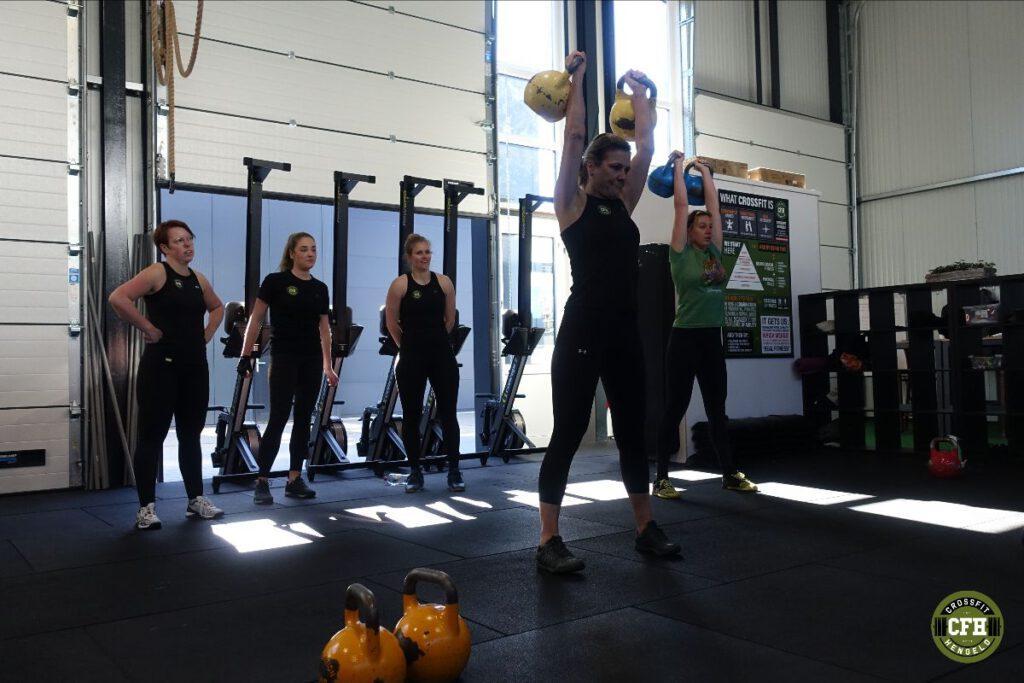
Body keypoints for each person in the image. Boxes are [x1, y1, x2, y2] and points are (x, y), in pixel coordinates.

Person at [536, 51, 680, 574]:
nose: (622, 176)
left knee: (634, 429)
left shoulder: (624, 202)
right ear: (590, 168)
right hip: (583, 329)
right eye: (613, 168)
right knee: (570, 430)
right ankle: (549, 539)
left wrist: (640, 91)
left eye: (624, 170)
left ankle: (644, 527)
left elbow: (647, 146)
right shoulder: (570, 203)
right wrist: (575, 77)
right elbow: (573, 136)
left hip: (624, 332)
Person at [653, 154, 758, 499]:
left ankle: (729, 473)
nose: (709, 228)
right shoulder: (680, 253)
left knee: (717, 409)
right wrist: (682, 170)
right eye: (702, 226)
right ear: (688, 232)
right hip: (684, 339)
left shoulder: (717, 252)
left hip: (711, 337)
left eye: (710, 226)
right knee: (675, 408)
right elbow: (681, 206)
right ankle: (662, 478)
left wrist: (706, 173)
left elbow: (713, 206)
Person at [109, 220, 225, 530]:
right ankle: (146, 508)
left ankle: (195, 500)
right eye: (179, 241)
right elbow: (118, 298)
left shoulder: (198, 279)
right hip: (161, 367)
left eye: (189, 239)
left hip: (194, 367)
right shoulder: (157, 273)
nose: (188, 245)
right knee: (152, 436)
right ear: (165, 248)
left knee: (191, 435)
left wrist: (207, 333)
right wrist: (148, 327)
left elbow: (217, 307)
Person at [238, 232, 336, 504]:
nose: (310, 254)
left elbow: (325, 331)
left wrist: (328, 366)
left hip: (311, 360)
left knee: (304, 419)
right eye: (304, 249)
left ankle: (294, 478)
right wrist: (246, 355)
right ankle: (262, 480)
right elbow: (256, 320)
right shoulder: (275, 281)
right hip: (284, 358)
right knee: (279, 417)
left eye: (313, 249)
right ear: (291, 253)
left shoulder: (320, 288)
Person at [384, 234, 464, 493]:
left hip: (441, 354)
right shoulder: (399, 285)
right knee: (411, 416)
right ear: (409, 257)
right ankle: (415, 471)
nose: (425, 256)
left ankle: (454, 470)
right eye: (419, 252)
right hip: (411, 358)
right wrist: (406, 346)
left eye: (428, 251)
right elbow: (391, 322)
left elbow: (450, 319)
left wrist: (435, 341)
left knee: (449, 413)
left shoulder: (444, 283)